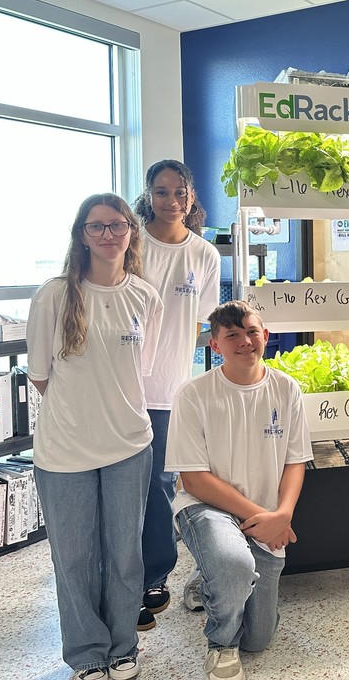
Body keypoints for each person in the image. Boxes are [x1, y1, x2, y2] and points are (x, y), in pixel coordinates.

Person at [26, 194, 164, 680]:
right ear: (81, 235)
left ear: (131, 232)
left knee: (126, 555)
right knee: (75, 560)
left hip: (129, 445)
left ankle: (123, 648)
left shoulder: (145, 297)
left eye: (117, 225)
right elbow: (39, 375)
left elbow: (138, 373)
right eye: (96, 226)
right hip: (64, 452)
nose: (108, 234)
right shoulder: (55, 295)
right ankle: (87, 654)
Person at [165, 300, 312, 680]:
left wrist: (282, 515)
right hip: (205, 507)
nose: (245, 341)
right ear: (215, 345)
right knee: (234, 565)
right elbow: (194, 480)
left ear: (265, 335)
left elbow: (295, 461)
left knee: (259, 639)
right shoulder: (193, 394)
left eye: (251, 332)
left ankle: (209, 578)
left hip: (265, 513)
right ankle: (221, 645)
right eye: (232, 335)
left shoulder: (286, 388)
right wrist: (262, 517)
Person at [132, 159, 221, 630]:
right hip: (122, 386)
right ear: (148, 194)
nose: (172, 201)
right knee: (126, 484)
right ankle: (124, 577)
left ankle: (154, 574)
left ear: (191, 197)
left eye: (180, 192)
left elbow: (205, 319)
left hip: (169, 386)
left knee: (161, 485)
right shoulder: (130, 243)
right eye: (162, 192)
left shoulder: (204, 254)